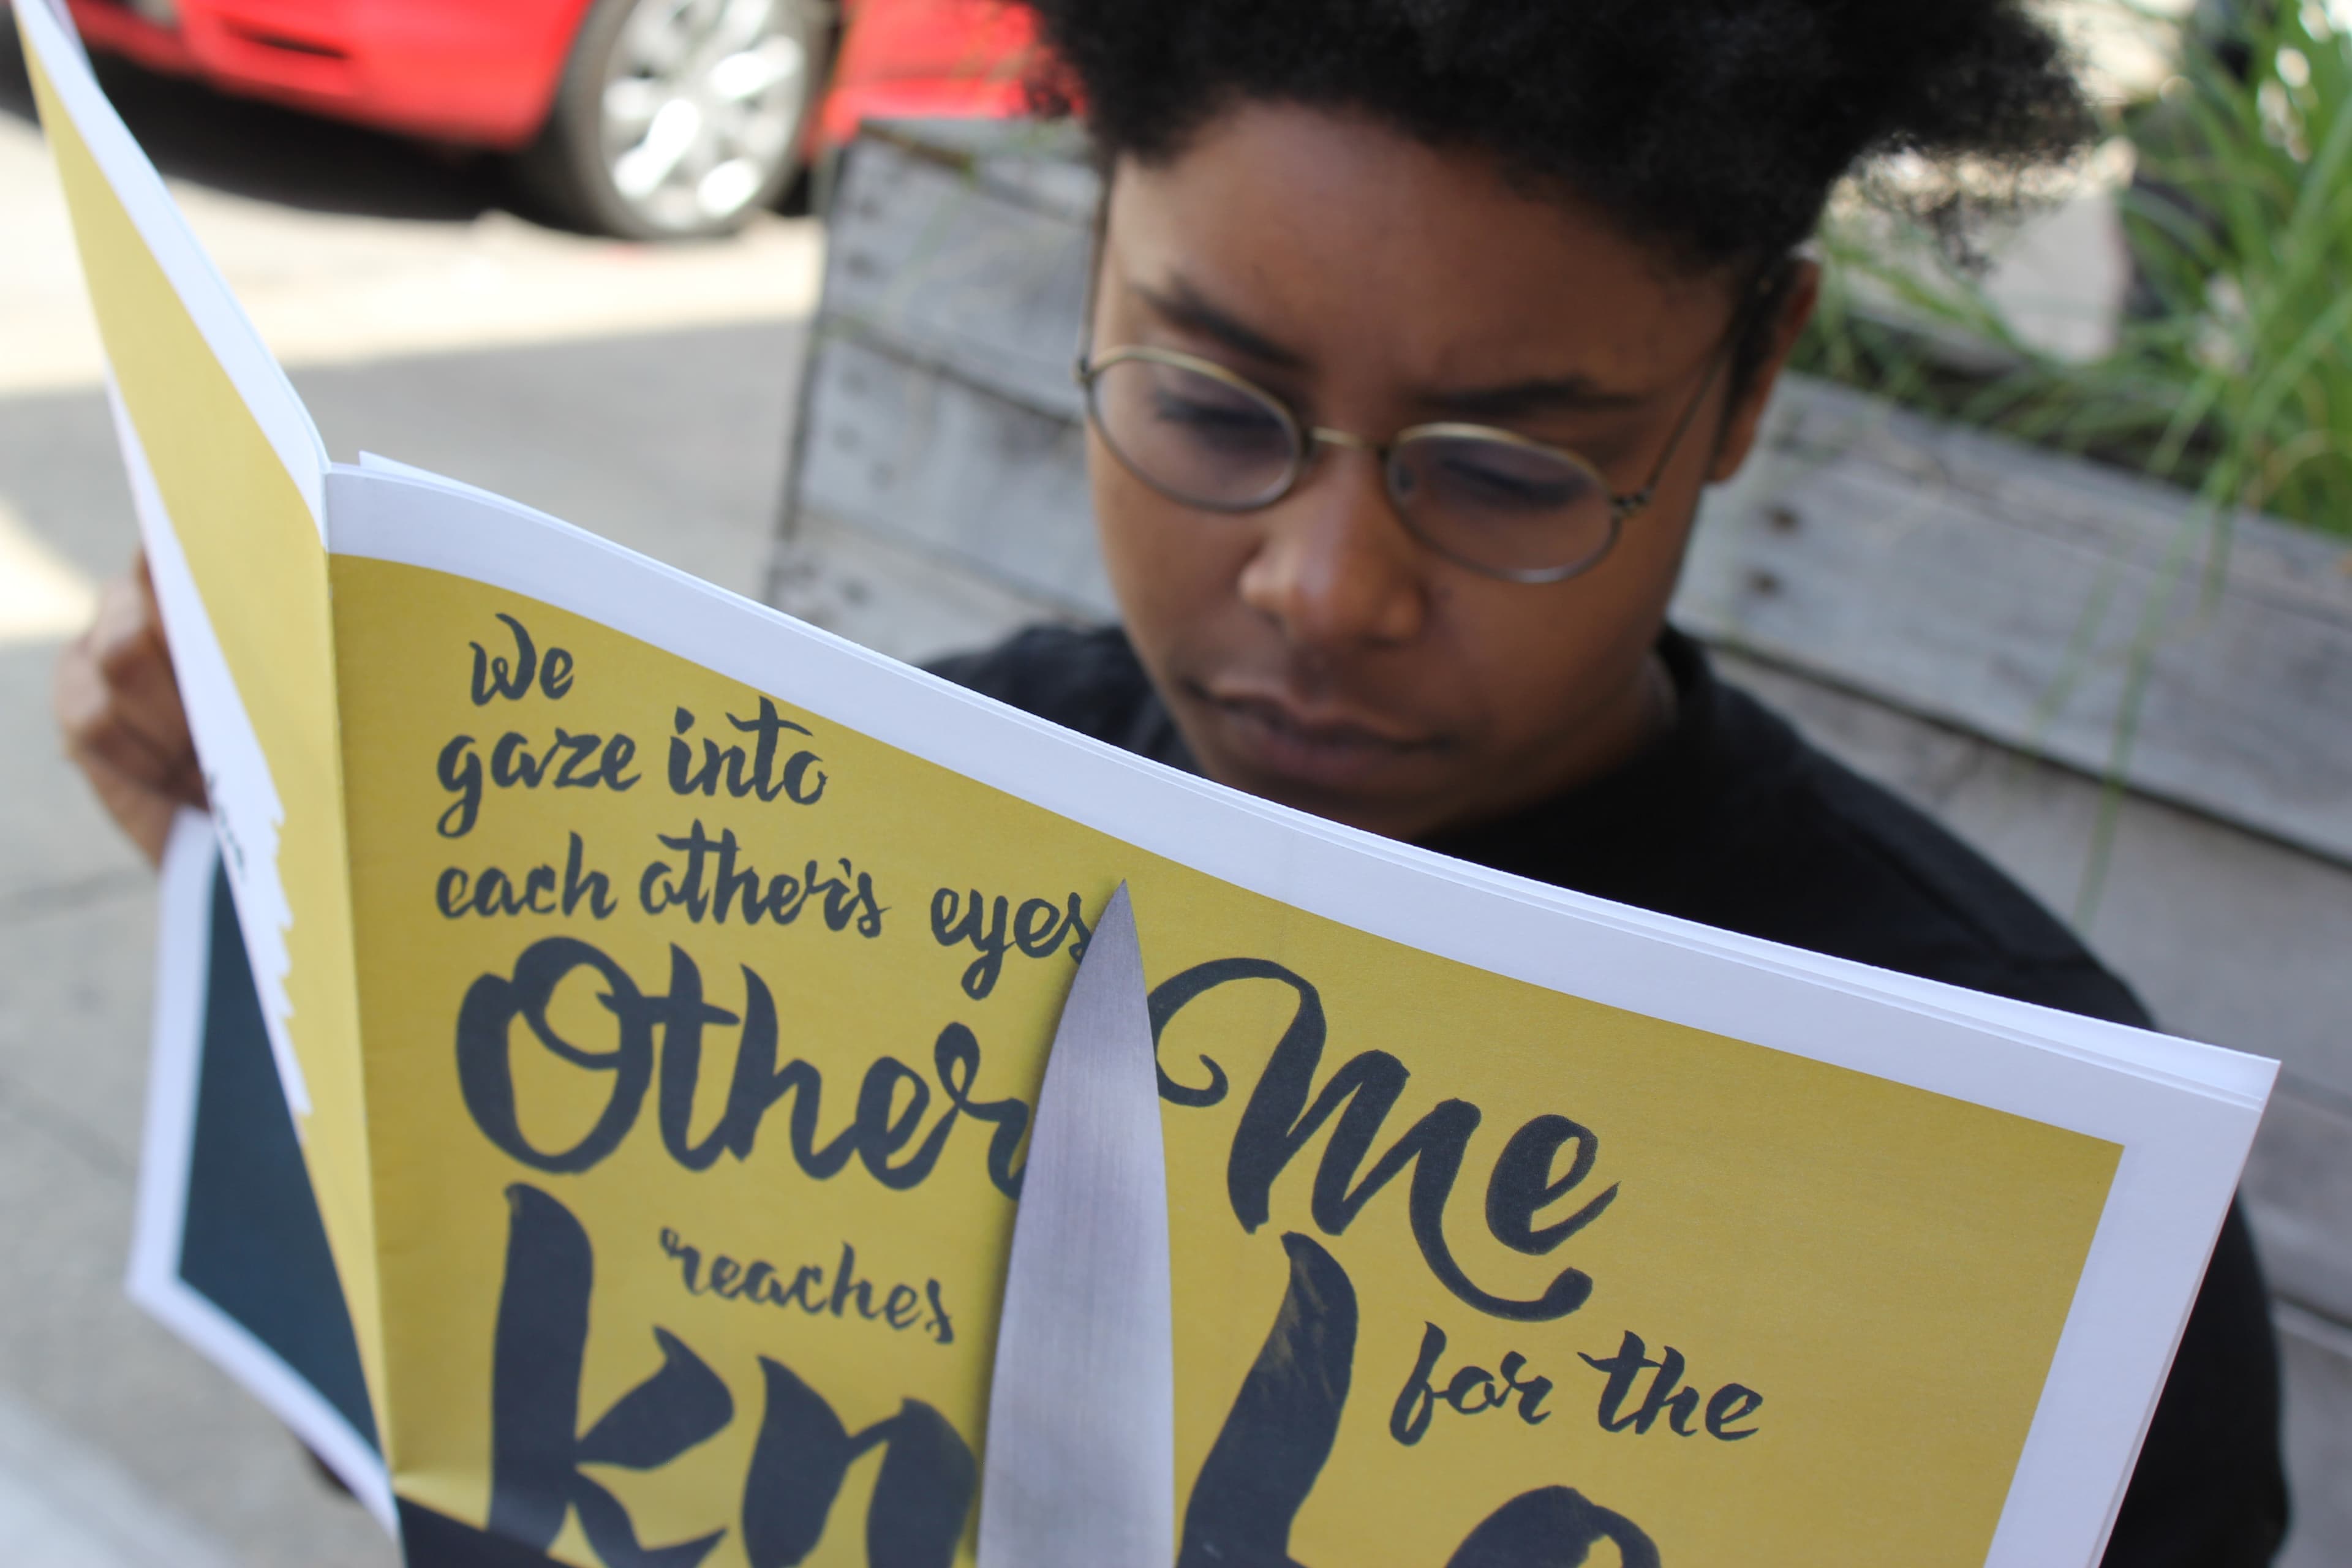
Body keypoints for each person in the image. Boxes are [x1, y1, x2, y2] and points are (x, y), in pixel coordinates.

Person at [55, 0, 2286, 1561]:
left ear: (1745, 382)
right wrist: (257, 919)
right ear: (1094, 252)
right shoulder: (839, 860)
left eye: (1513, 469)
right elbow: (498, 1454)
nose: (1324, 587)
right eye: (1211, 407)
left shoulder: (2024, 1181)